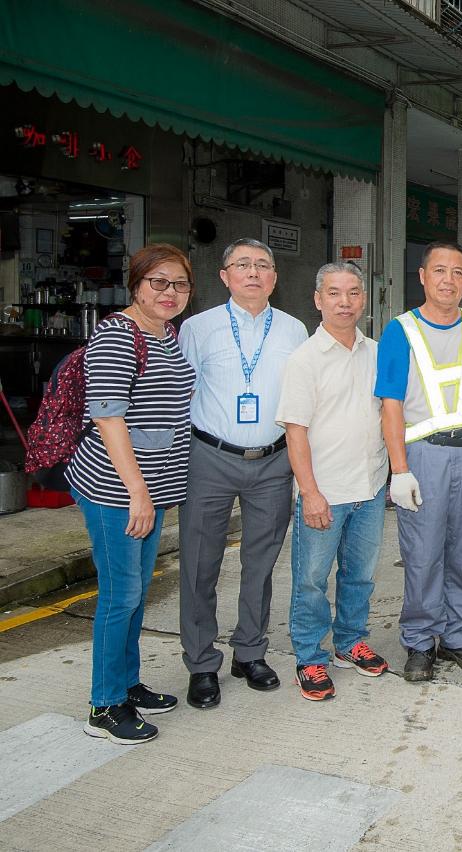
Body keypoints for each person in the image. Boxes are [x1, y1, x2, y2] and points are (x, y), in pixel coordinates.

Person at [67, 244, 197, 743]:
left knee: (136, 592)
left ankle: (127, 684)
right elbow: (107, 417)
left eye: (179, 284)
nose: (170, 292)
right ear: (136, 284)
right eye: (158, 282)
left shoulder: (166, 333)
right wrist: (136, 491)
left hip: (152, 488)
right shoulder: (116, 336)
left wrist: (153, 491)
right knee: (120, 595)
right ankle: (104, 705)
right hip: (114, 488)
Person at [376, 241, 462, 682]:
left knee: (460, 551)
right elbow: (390, 405)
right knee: (422, 554)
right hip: (422, 457)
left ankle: (458, 636)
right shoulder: (400, 331)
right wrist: (399, 469)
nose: (449, 280)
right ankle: (420, 641)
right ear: (422, 276)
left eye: (458, 272)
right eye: (439, 270)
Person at [178, 238, 308, 709]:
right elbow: (181, 393)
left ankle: (250, 652)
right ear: (225, 276)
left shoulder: (294, 330)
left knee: (260, 563)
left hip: (273, 461)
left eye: (262, 266)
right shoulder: (197, 328)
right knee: (199, 563)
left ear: (274, 278)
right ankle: (201, 662)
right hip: (210, 457)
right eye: (243, 265)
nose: (253, 273)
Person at [275, 262, 389, 701]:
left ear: (364, 299)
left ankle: (349, 642)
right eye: (335, 293)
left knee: (360, 576)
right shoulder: (304, 360)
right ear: (318, 299)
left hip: (370, 487)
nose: (345, 302)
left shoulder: (376, 352)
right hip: (325, 492)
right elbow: (295, 431)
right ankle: (309, 657)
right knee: (311, 581)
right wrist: (310, 493)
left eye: (353, 293)